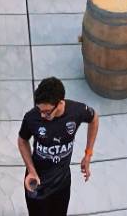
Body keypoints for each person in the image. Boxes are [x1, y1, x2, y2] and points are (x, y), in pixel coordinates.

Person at [18, 77, 98, 216]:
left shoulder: (77, 111)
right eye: (40, 110)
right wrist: (31, 170)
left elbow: (94, 118)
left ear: (60, 103)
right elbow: (22, 140)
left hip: (62, 181)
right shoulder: (31, 117)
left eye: (47, 111)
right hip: (37, 181)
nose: (42, 115)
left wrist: (88, 154)